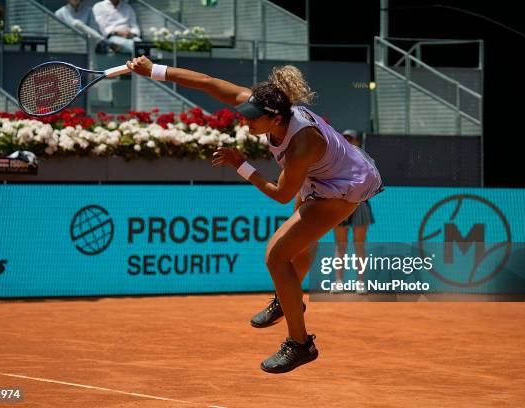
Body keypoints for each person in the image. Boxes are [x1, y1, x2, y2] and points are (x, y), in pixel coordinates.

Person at [126, 56, 384, 374]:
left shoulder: (301, 144)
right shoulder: (264, 105)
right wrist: (153, 70)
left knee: (276, 256)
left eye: (251, 120)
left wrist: (240, 164)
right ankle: (288, 299)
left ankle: (300, 344)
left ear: (275, 120)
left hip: (344, 186)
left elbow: (280, 194)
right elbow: (205, 82)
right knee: (299, 248)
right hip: (320, 172)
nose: (245, 123)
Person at [332, 129, 375, 293]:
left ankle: (361, 282)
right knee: (340, 244)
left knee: (359, 245)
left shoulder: (366, 160)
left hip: (360, 204)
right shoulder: (335, 158)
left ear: (358, 142)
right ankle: (338, 281)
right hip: (340, 204)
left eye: (351, 139)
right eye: (345, 138)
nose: (348, 141)